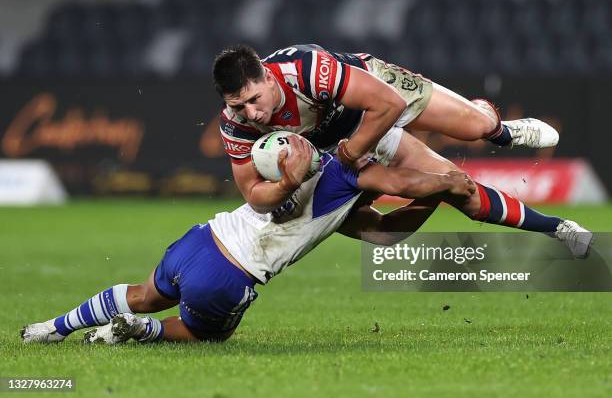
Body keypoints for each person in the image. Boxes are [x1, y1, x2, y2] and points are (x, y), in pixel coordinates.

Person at [21, 135, 475, 344]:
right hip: (229, 272)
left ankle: (51, 329)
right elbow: (409, 187)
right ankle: (144, 332)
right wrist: (447, 183)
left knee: (144, 294)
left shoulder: (320, 171)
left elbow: (382, 232)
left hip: (199, 241)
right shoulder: (354, 172)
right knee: (211, 335)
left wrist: (435, 197)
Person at [213, 44, 588, 247]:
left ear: (266, 74)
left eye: (254, 99)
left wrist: (353, 151)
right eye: (238, 105)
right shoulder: (235, 125)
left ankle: (498, 128)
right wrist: (285, 184)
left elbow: (387, 105)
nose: (252, 113)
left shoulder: (307, 69)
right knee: (442, 203)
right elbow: (253, 194)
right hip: (334, 149)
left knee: (476, 126)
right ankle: (558, 228)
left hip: (375, 100)